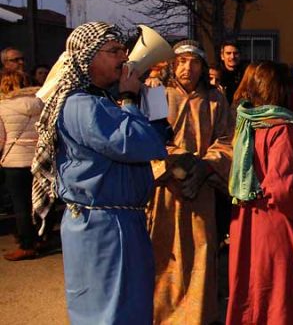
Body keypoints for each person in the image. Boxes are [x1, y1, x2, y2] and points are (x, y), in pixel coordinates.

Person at [30, 22, 168, 324]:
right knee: (111, 313)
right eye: (114, 50)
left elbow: (155, 140)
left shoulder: (99, 102)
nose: (124, 56)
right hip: (104, 226)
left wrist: (149, 104)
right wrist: (130, 99)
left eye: (123, 48)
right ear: (88, 57)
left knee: (127, 308)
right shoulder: (81, 105)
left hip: (115, 222)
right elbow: (138, 144)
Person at [226, 61, 293, 325]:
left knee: (250, 292)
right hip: (276, 224)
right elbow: (281, 187)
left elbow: (283, 151)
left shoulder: (248, 121)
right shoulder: (282, 127)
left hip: (247, 221)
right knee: (278, 298)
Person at [146, 40, 233, 324]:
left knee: (202, 252)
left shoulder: (215, 99)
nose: (188, 68)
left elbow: (227, 141)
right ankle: (162, 316)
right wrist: (174, 162)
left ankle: (200, 316)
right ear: (172, 64)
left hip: (201, 189)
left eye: (194, 62)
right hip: (164, 191)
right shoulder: (157, 95)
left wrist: (206, 166)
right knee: (164, 253)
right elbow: (149, 138)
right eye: (181, 61)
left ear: (203, 66)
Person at [0, 70, 43, 261]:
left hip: (14, 162)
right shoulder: (41, 103)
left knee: (21, 204)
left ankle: (27, 245)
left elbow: (1, 139)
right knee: (42, 200)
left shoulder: (2, 107)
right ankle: (43, 236)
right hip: (40, 159)